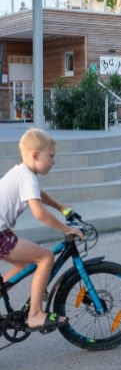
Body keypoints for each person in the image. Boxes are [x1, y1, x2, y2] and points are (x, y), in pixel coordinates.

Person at [0, 128, 83, 331]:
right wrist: (66, 228)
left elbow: (37, 193)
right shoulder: (26, 176)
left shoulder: (22, 172)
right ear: (36, 155)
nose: (54, 161)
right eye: (51, 156)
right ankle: (35, 314)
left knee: (27, 264)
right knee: (45, 257)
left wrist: (59, 206)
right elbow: (38, 213)